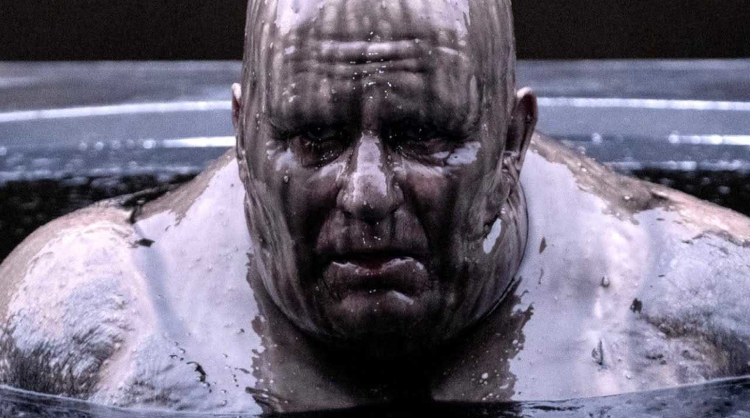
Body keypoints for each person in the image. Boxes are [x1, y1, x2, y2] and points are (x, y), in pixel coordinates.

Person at [2, 0, 750, 413]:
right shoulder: (89, 313)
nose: (365, 194)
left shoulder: (698, 301)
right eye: (314, 138)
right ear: (244, 136)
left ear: (512, 142)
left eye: (422, 136)